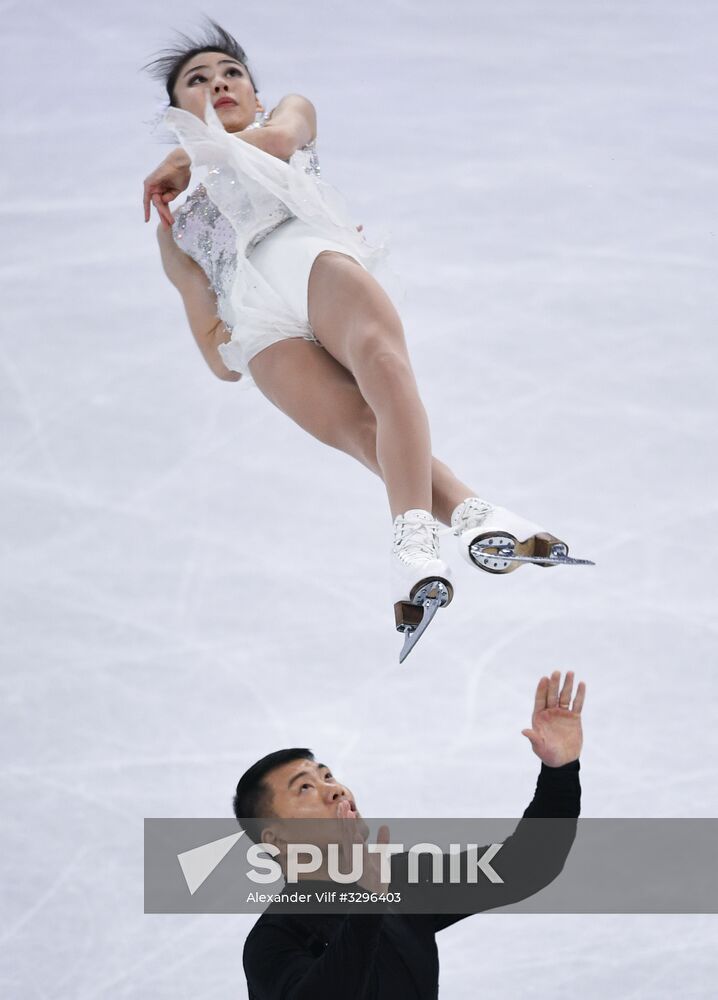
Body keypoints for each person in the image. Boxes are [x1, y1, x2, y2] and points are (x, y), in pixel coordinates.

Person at [143, 22, 589, 626]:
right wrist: (240, 337)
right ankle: (474, 515)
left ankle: (412, 546)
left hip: (309, 258)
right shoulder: (178, 224)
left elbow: (275, 143)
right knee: (360, 431)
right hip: (256, 320)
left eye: (231, 73)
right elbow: (207, 339)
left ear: (254, 93)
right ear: (177, 109)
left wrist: (187, 152)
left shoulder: (289, 116)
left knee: (382, 364)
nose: (218, 83)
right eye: (198, 80)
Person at [233, 669, 584, 998]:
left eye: (327, 776)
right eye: (305, 788)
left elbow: (524, 866)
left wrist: (560, 771)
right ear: (276, 841)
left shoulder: (401, 880)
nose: (335, 790)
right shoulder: (274, 940)